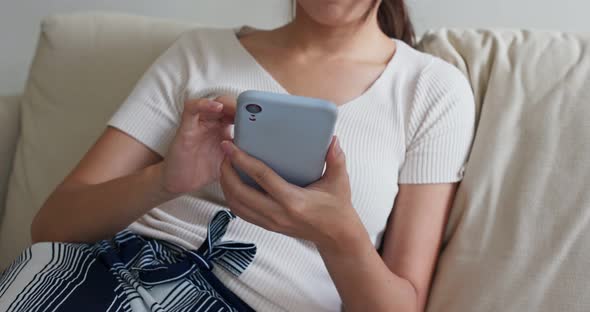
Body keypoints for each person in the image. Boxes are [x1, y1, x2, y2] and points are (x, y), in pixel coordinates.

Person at [0, 0, 475, 311]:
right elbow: (52, 226)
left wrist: (339, 235)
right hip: (104, 273)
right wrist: (165, 179)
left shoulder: (432, 91)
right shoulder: (200, 53)